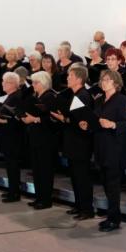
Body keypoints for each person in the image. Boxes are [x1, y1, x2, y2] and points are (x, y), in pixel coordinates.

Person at [86, 70, 126, 232]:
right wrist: (88, 125)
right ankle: (111, 216)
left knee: (113, 186)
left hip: (114, 148)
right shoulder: (99, 101)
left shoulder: (121, 100)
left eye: (107, 80)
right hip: (100, 147)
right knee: (105, 184)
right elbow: (95, 121)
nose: (103, 82)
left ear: (116, 83)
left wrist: (112, 124)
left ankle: (114, 219)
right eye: (102, 79)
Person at [51, 66, 94, 220]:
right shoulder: (74, 95)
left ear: (79, 79)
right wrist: (65, 118)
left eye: (70, 76)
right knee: (75, 177)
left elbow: (82, 120)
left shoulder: (83, 95)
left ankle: (87, 210)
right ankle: (79, 206)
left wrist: (65, 118)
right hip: (73, 141)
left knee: (82, 177)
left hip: (80, 143)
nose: (67, 78)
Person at [21, 71, 59, 209]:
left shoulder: (49, 97)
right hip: (36, 137)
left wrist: (35, 119)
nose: (33, 85)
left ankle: (46, 200)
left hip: (46, 139)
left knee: (45, 170)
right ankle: (39, 197)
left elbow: (52, 119)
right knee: (36, 170)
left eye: (35, 82)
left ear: (43, 83)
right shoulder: (36, 96)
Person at [0, 72, 25, 202]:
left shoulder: (17, 96)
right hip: (7, 136)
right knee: (10, 166)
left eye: (5, 82)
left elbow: (18, 119)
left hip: (13, 137)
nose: (2, 84)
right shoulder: (10, 96)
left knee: (13, 166)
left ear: (12, 84)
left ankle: (15, 193)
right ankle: (12, 190)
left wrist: (3, 121)